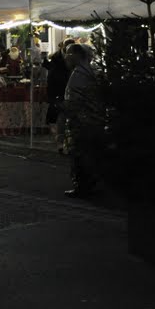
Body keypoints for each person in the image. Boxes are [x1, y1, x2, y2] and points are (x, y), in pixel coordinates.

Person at [62, 43, 102, 198]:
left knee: (80, 153)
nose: (67, 57)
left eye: (69, 54)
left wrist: (70, 112)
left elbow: (75, 98)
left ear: (77, 56)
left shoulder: (80, 74)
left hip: (81, 119)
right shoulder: (87, 71)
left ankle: (83, 185)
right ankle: (89, 183)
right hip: (88, 118)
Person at [42, 38, 74, 153]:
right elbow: (52, 75)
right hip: (58, 91)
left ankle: (66, 141)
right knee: (59, 117)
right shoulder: (56, 58)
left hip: (68, 90)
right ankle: (61, 142)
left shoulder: (71, 59)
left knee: (64, 117)